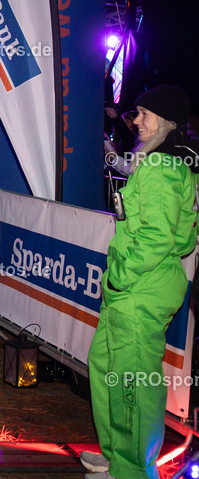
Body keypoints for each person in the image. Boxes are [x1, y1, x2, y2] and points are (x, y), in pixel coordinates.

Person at [83, 86, 199, 479]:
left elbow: (157, 237)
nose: (136, 121)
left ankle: (132, 470)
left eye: (144, 114)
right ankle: (117, 455)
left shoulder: (162, 167)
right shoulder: (156, 162)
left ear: (166, 121)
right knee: (106, 367)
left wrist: (120, 276)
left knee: (132, 381)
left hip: (142, 285)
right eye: (137, 113)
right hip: (134, 285)